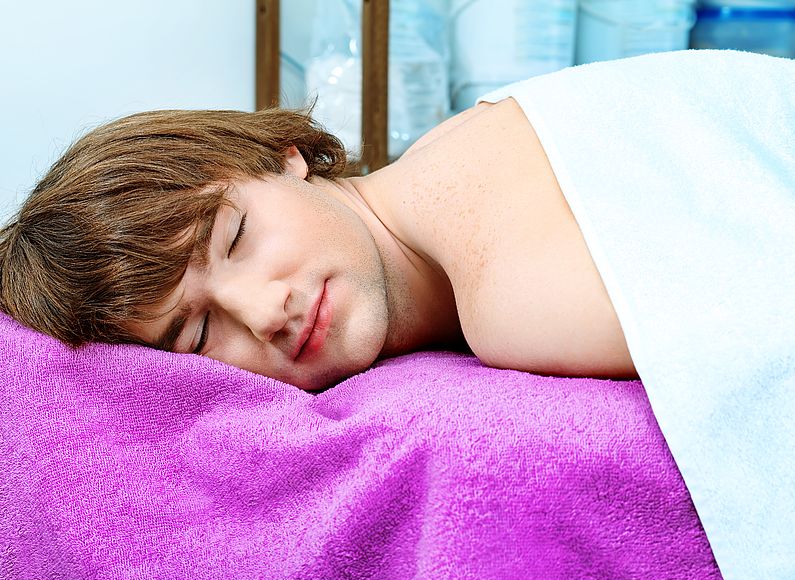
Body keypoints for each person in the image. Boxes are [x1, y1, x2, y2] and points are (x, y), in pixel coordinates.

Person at [0, 91, 637, 392]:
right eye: (197, 335)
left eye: (235, 237)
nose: (263, 313)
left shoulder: (514, 301)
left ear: (285, 155)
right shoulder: (453, 144)